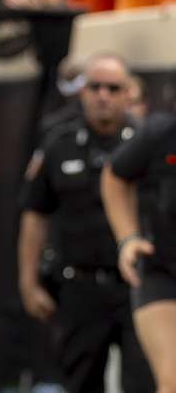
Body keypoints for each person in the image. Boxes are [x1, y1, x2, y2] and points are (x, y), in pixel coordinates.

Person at [19, 55, 154, 393]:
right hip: (80, 285)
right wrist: (28, 280)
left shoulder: (149, 144)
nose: (103, 95)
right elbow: (36, 214)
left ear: (129, 94)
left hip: (138, 284)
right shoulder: (58, 143)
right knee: (80, 381)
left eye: (113, 88)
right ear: (82, 93)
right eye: (95, 87)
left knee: (143, 381)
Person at [102, 109, 176, 393]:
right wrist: (128, 238)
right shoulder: (162, 131)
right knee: (172, 382)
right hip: (163, 270)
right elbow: (114, 175)